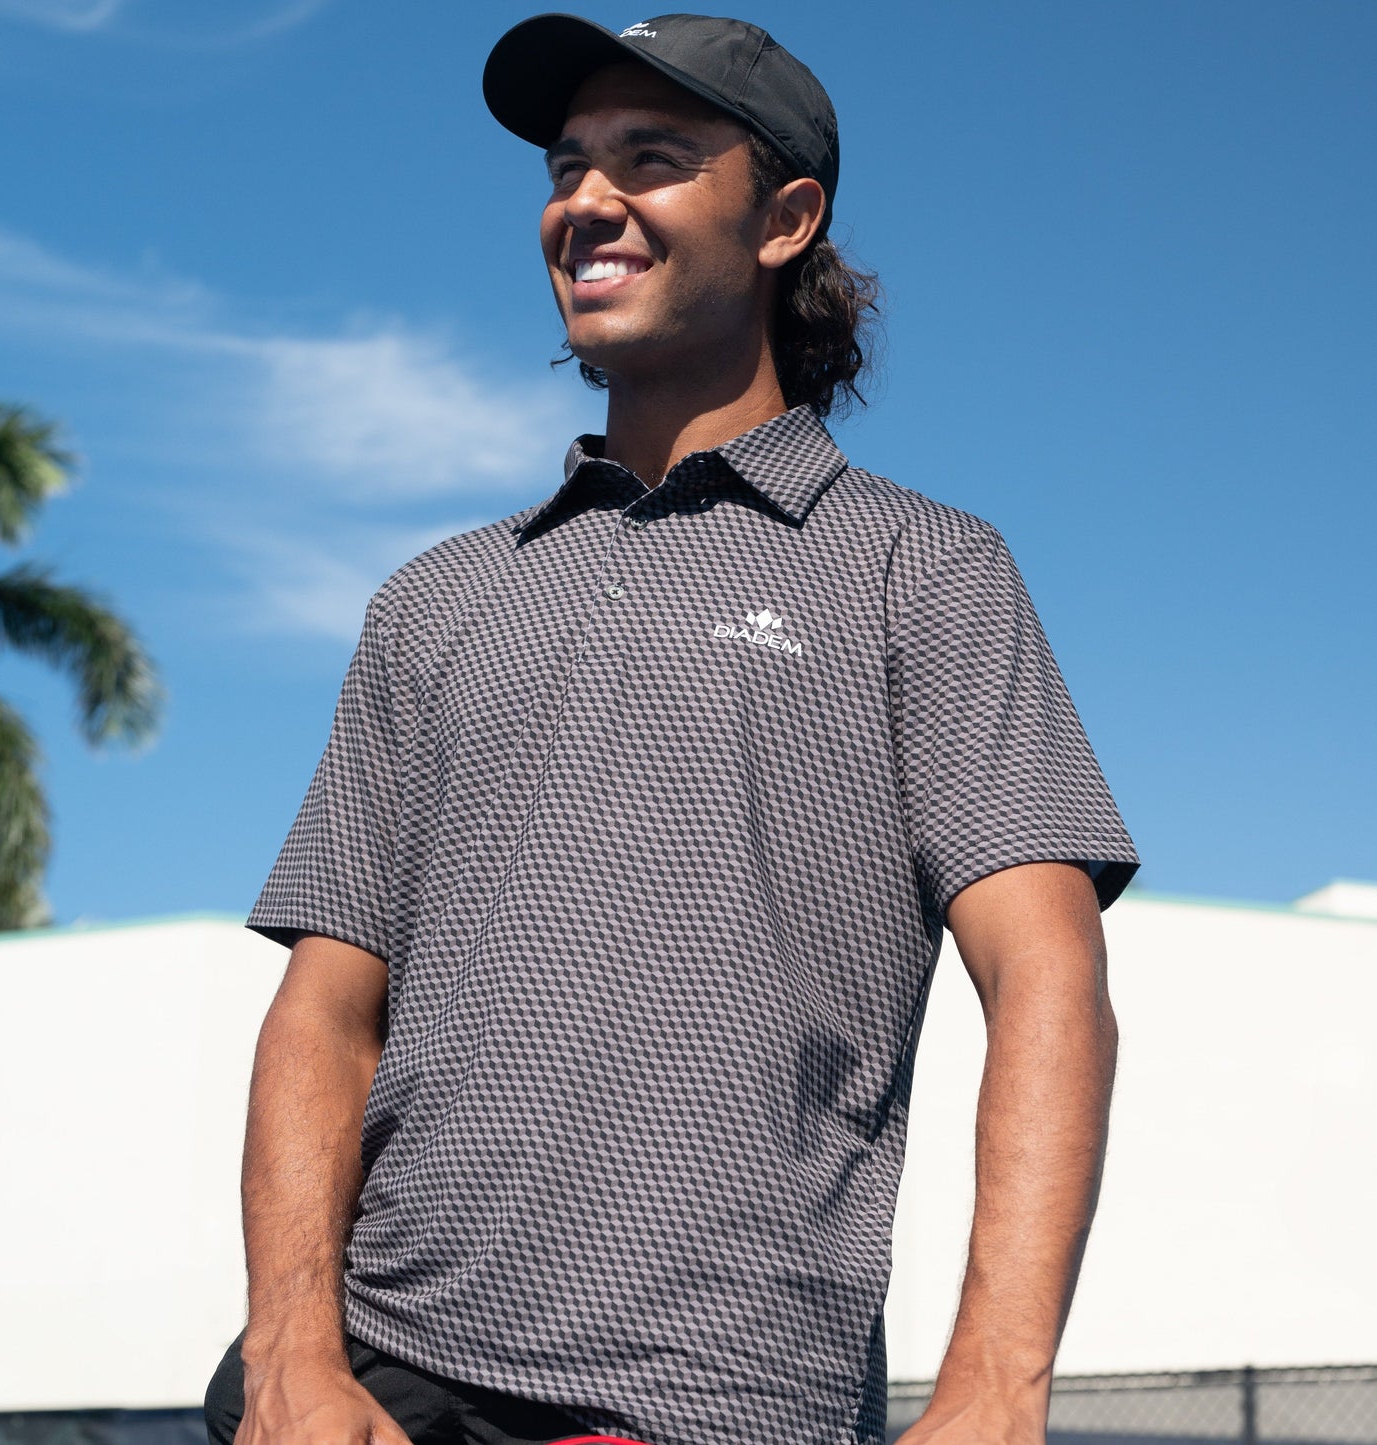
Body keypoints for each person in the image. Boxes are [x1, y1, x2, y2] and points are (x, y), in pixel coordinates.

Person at [205, 13, 1139, 1445]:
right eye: (565, 166)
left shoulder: (924, 571)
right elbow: (326, 1012)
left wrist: (995, 1391)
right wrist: (289, 1358)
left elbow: (1047, 978)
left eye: (650, 159)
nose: (584, 201)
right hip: (384, 1385)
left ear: (785, 219)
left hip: (718, 1403)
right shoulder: (432, 598)